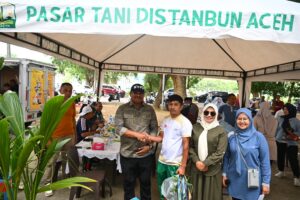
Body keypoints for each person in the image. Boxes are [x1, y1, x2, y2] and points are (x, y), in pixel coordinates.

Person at [115, 83, 158, 200]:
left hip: (146, 154)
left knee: (146, 184)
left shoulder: (149, 109)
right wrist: (136, 135)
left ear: (143, 95)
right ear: (131, 94)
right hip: (127, 153)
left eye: (140, 93)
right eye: (135, 93)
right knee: (129, 185)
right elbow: (118, 128)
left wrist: (149, 146)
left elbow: (154, 128)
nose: (138, 95)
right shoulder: (122, 109)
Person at [146, 94, 192, 200]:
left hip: (175, 164)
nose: (172, 107)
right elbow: (161, 138)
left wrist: (183, 166)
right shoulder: (165, 120)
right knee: (163, 190)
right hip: (162, 161)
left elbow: (186, 145)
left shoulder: (185, 122)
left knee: (175, 194)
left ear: (181, 106)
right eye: (170, 104)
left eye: (176, 104)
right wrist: (149, 137)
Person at [222, 108, 271, 200]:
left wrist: (266, 182)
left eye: (245, 119)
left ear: (250, 120)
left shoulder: (259, 137)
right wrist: (224, 174)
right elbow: (227, 157)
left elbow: (265, 161)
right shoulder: (232, 137)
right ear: (236, 120)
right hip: (234, 179)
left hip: (252, 181)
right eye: (239, 119)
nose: (242, 121)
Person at [189, 103, 228, 200]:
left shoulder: (221, 131)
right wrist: (197, 162)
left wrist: (205, 163)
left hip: (212, 170)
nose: (209, 115)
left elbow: (220, 152)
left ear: (216, 115)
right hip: (196, 168)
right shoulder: (195, 127)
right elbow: (190, 147)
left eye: (212, 113)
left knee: (210, 196)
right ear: (202, 113)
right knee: (195, 195)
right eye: (206, 112)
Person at [44, 82, 76, 197]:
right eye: (65, 90)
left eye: (70, 91)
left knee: (66, 159)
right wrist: (47, 140)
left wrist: (75, 135)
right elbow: (46, 122)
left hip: (69, 136)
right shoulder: (53, 103)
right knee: (51, 162)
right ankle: (49, 184)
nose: (68, 93)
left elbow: (73, 120)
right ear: (60, 90)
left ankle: (66, 180)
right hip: (55, 137)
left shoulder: (71, 103)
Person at [274, 103, 300, 186]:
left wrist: (291, 135)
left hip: (291, 143)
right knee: (280, 157)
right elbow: (277, 129)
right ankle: (281, 171)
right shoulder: (281, 119)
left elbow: (299, 133)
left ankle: (296, 177)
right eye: (284, 109)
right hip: (280, 141)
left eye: (286, 109)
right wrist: (276, 136)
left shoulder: (296, 121)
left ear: (291, 110)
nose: (284, 111)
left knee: (293, 160)